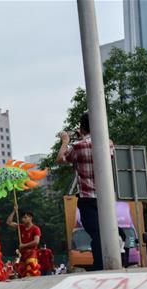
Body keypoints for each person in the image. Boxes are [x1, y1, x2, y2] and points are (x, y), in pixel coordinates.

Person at [57, 112, 114, 271]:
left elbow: (61, 158)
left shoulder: (78, 146)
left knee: (95, 232)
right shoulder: (108, 143)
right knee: (108, 229)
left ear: (82, 127)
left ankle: (100, 265)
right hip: (106, 197)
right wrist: (82, 136)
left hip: (88, 198)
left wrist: (66, 140)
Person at [6, 209, 41, 278]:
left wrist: (24, 245)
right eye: (22, 218)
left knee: (31, 272)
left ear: (30, 218)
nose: (23, 219)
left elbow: (36, 242)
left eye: (25, 217)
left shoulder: (35, 229)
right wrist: (14, 211)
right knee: (22, 273)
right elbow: (8, 222)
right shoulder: (21, 227)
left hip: (31, 254)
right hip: (22, 254)